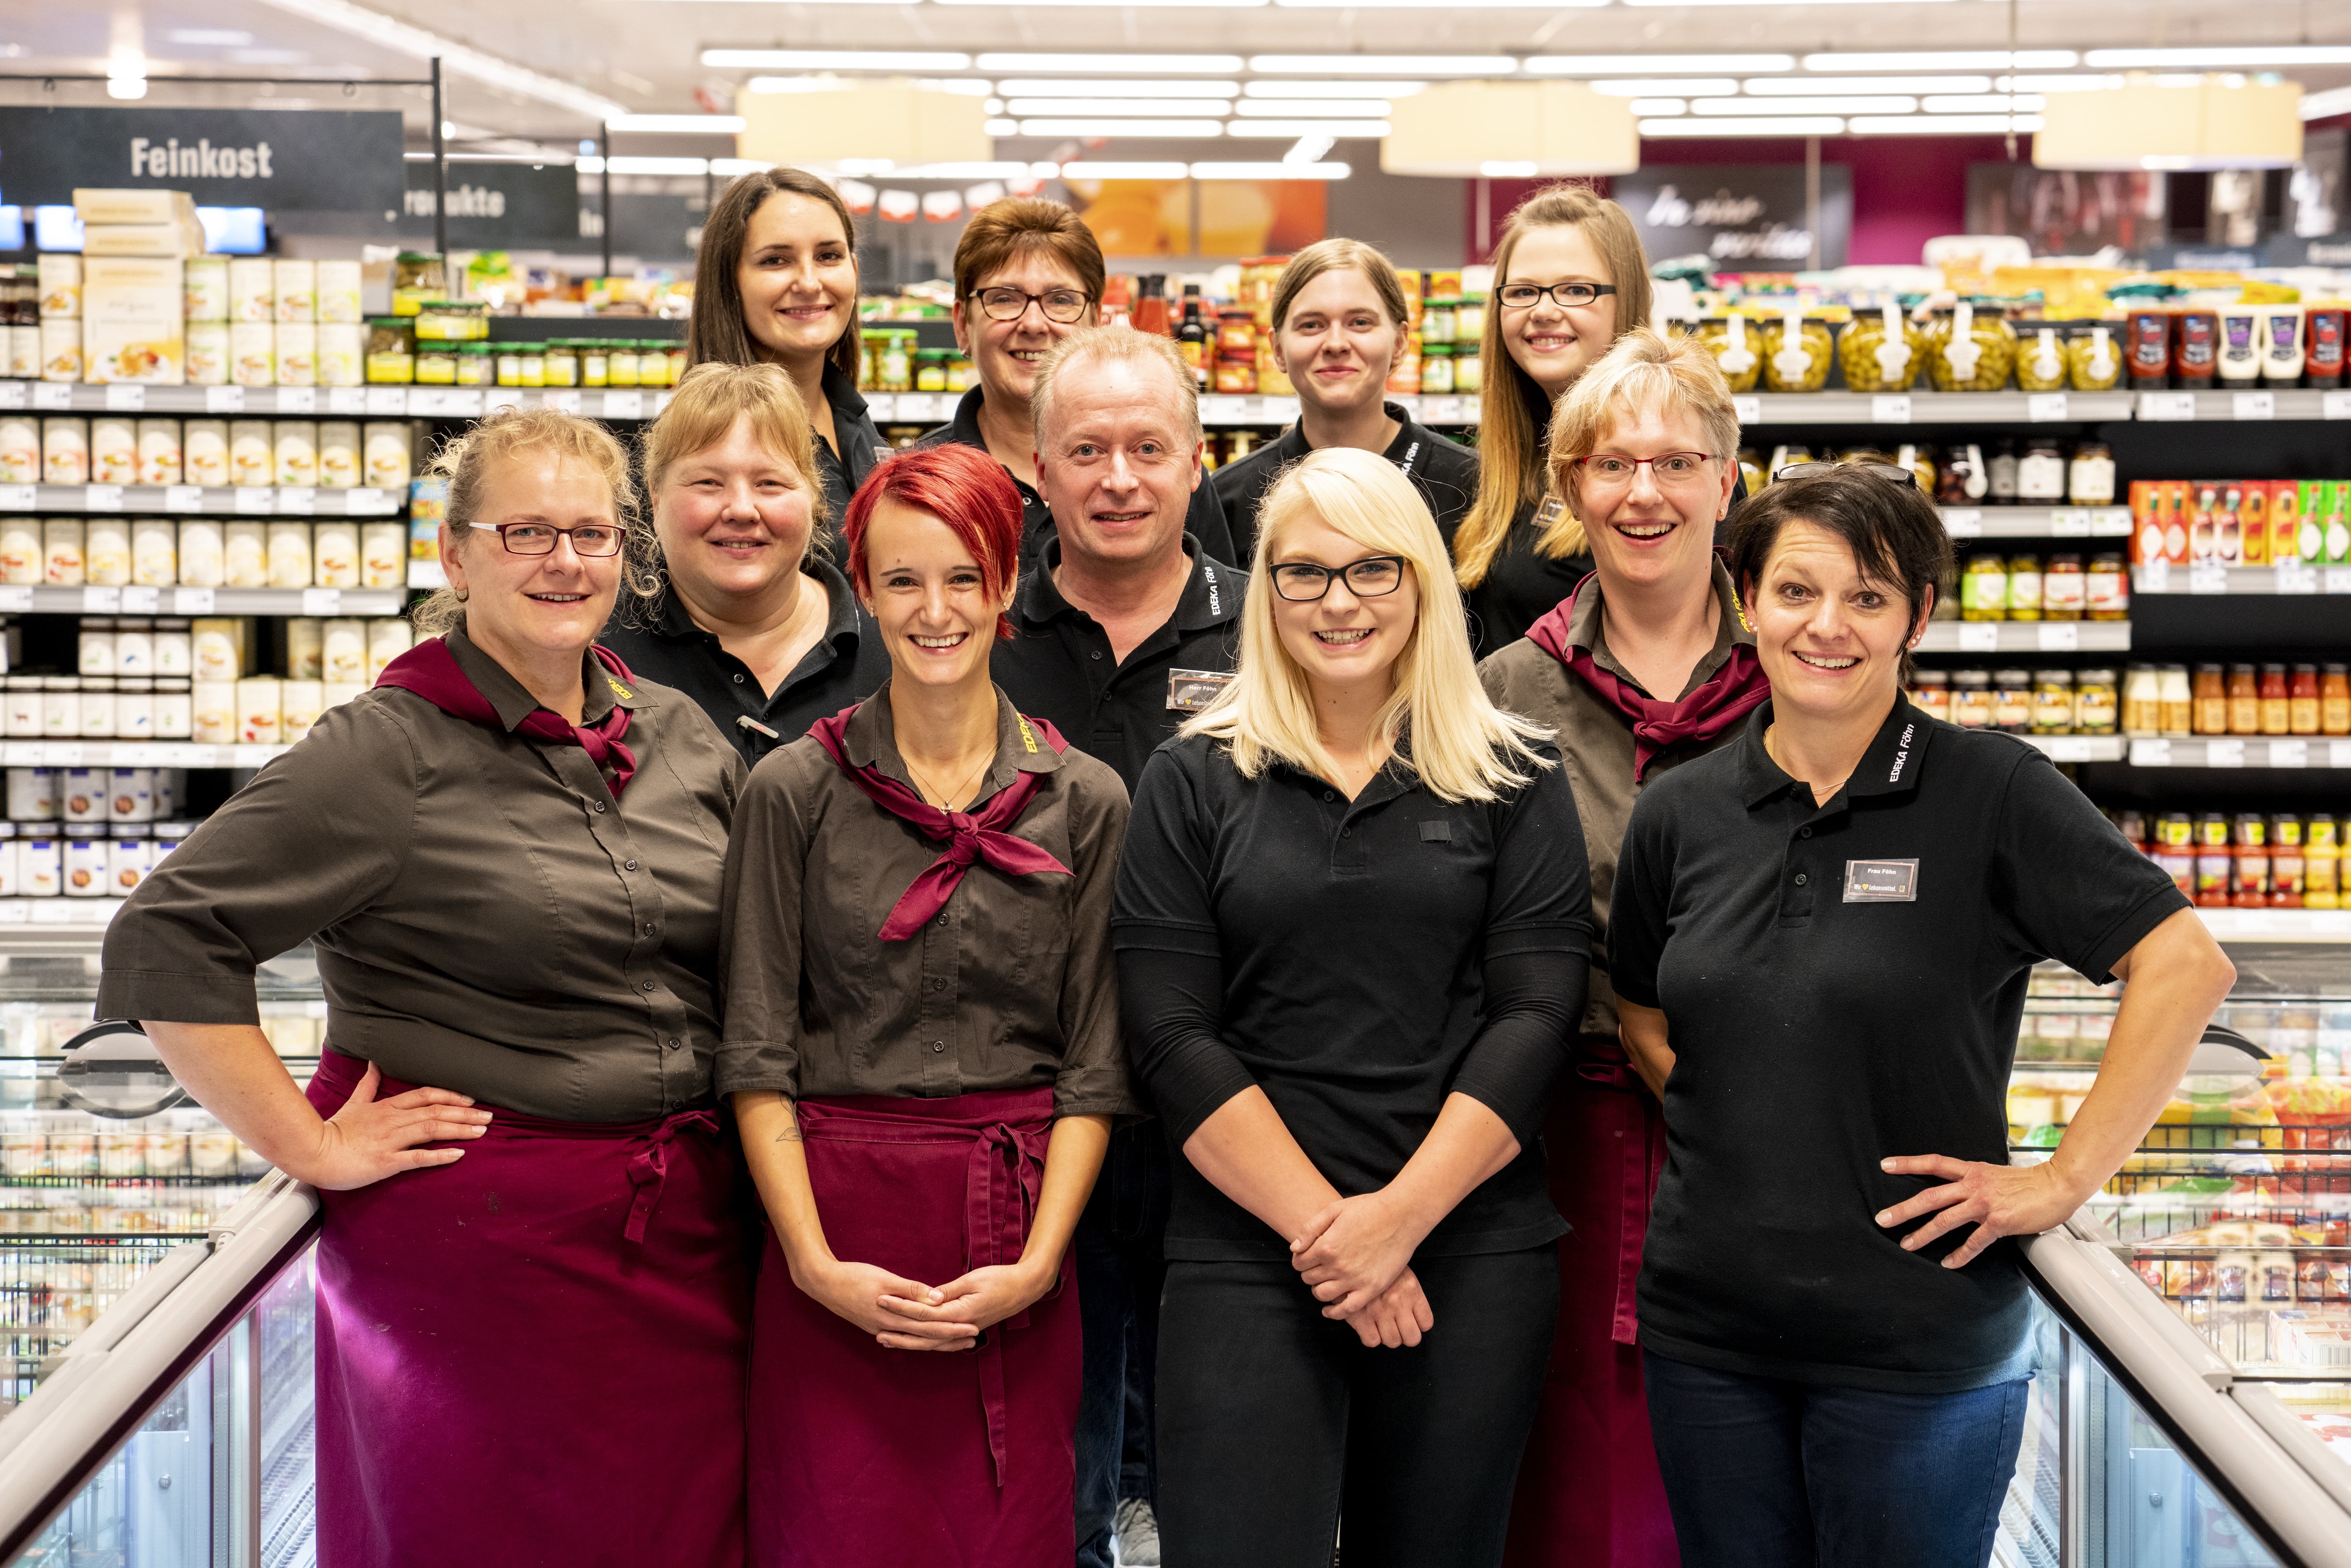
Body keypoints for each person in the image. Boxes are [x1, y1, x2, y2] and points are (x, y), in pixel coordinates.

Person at [96, 408, 753, 1567]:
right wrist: (309, 1141)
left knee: (680, 1531)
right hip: (479, 1257)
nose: (565, 561)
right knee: (478, 1531)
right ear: (455, 557)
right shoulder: (383, 751)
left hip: (683, 1239)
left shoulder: (683, 735)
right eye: (527, 532)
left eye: (593, 534)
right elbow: (168, 939)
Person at [1609, 463, 2237, 1568]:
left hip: (1918, 1346)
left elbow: (2183, 963)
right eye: (1797, 591)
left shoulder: (1990, 789)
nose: (1828, 626)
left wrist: (2061, 1178)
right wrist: (1754, 1120)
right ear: (1744, 600)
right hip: (1707, 1333)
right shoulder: (1680, 808)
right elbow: (1642, 1013)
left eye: (1869, 596)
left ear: (1917, 619)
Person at [1113, 446, 1591, 1568]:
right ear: (1262, 590)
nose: (1339, 602)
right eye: (1304, 572)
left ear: (1423, 580)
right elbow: (1169, 1031)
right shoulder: (1192, 778)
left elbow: (1536, 1013)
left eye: (1374, 569)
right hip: (1245, 1250)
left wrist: (1397, 1222)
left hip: (1467, 1250)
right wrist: (1333, 1236)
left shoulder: (1513, 772)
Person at [718, 441, 1140, 1567]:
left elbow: (1096, 1062)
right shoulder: (790, 791)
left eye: (964, 577)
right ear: (861, 589)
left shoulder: (1088, 799)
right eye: (903, 580)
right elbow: (757, 1050)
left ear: (1008, 584)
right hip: (831, 1234)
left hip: (1016, 1235)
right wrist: (810, 1261)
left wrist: (1042, 1263)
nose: (935, 608)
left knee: (1012, 1536)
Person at [1477, 328, 1763, 1568]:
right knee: (1576, 1481)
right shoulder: (1500, 692)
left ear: (1727, 481)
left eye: (1676, 462)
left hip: (1774, 1144)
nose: (1644, 493)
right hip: (1564, 1146)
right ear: (1569, 488)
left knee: (1754, 1470)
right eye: (1610, 464)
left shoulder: (1806, 667)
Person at [991, 323, 1247, 1568]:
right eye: (1086, 449)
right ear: (1037, 467)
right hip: (1040, 1104)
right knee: (1060, 1449)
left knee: (1231, 1449)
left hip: (1243, 1106)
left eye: (1149, 447)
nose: (1118, 479)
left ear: (1200, 459)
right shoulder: (977, 634)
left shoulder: (1284, 627)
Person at [917, 197, 1235, 568]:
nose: (1034, 324)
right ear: (961, 325)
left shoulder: (1168, 474)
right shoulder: (922, 479)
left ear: (1098, 322)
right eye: (1004, 299)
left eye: (1061, 300)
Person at [603, 361, 890, 764]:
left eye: (769, 483)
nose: (741, 509)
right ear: (655, 494)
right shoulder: (598, 654)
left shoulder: (895, 647)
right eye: (708, 483)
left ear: (812, 497)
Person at [1451, 187, 1654, 655]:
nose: (1543, 311)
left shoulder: (1668, 465)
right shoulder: (1498, 467)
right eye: (1522, 292)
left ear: (1625, 302)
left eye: (1576, 290)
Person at [1211, 238, 1479, 564]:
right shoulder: (1228, 501)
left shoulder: (1474, 486)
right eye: (1312, 325)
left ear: (1400, 343)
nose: (1336, 343)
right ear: (1278, 349)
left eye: (1360, 323)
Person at [689, 166, 883, 525]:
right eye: (775, 260)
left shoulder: (848, 413)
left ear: (854, 271)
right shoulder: (705, 447)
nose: (809, 283)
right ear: (729, 282)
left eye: (828, 256)